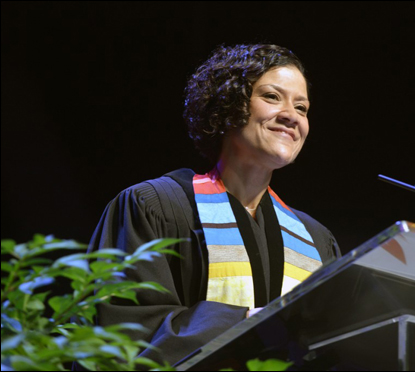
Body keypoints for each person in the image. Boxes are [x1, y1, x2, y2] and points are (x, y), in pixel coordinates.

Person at [89, 43, 341, 367]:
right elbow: (124, 335)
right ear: (229, 104)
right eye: (272, 97)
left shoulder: (316, 239)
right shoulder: (154, 207)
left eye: (302, 108)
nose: (292, 117)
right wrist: (249, 322)